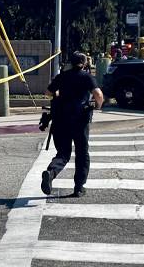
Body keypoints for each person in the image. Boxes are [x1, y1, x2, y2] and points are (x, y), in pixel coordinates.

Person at [41, 52, 104, 198]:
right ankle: (79, 187)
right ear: (84, 63)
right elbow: (98, 95)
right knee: (82, 153)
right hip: (80, 120)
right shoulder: (87, 77)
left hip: (61, 119)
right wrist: (98, 106)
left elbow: (48, 93)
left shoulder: (62, 76)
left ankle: (51, 172)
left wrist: (59, 95)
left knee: (63, 153)